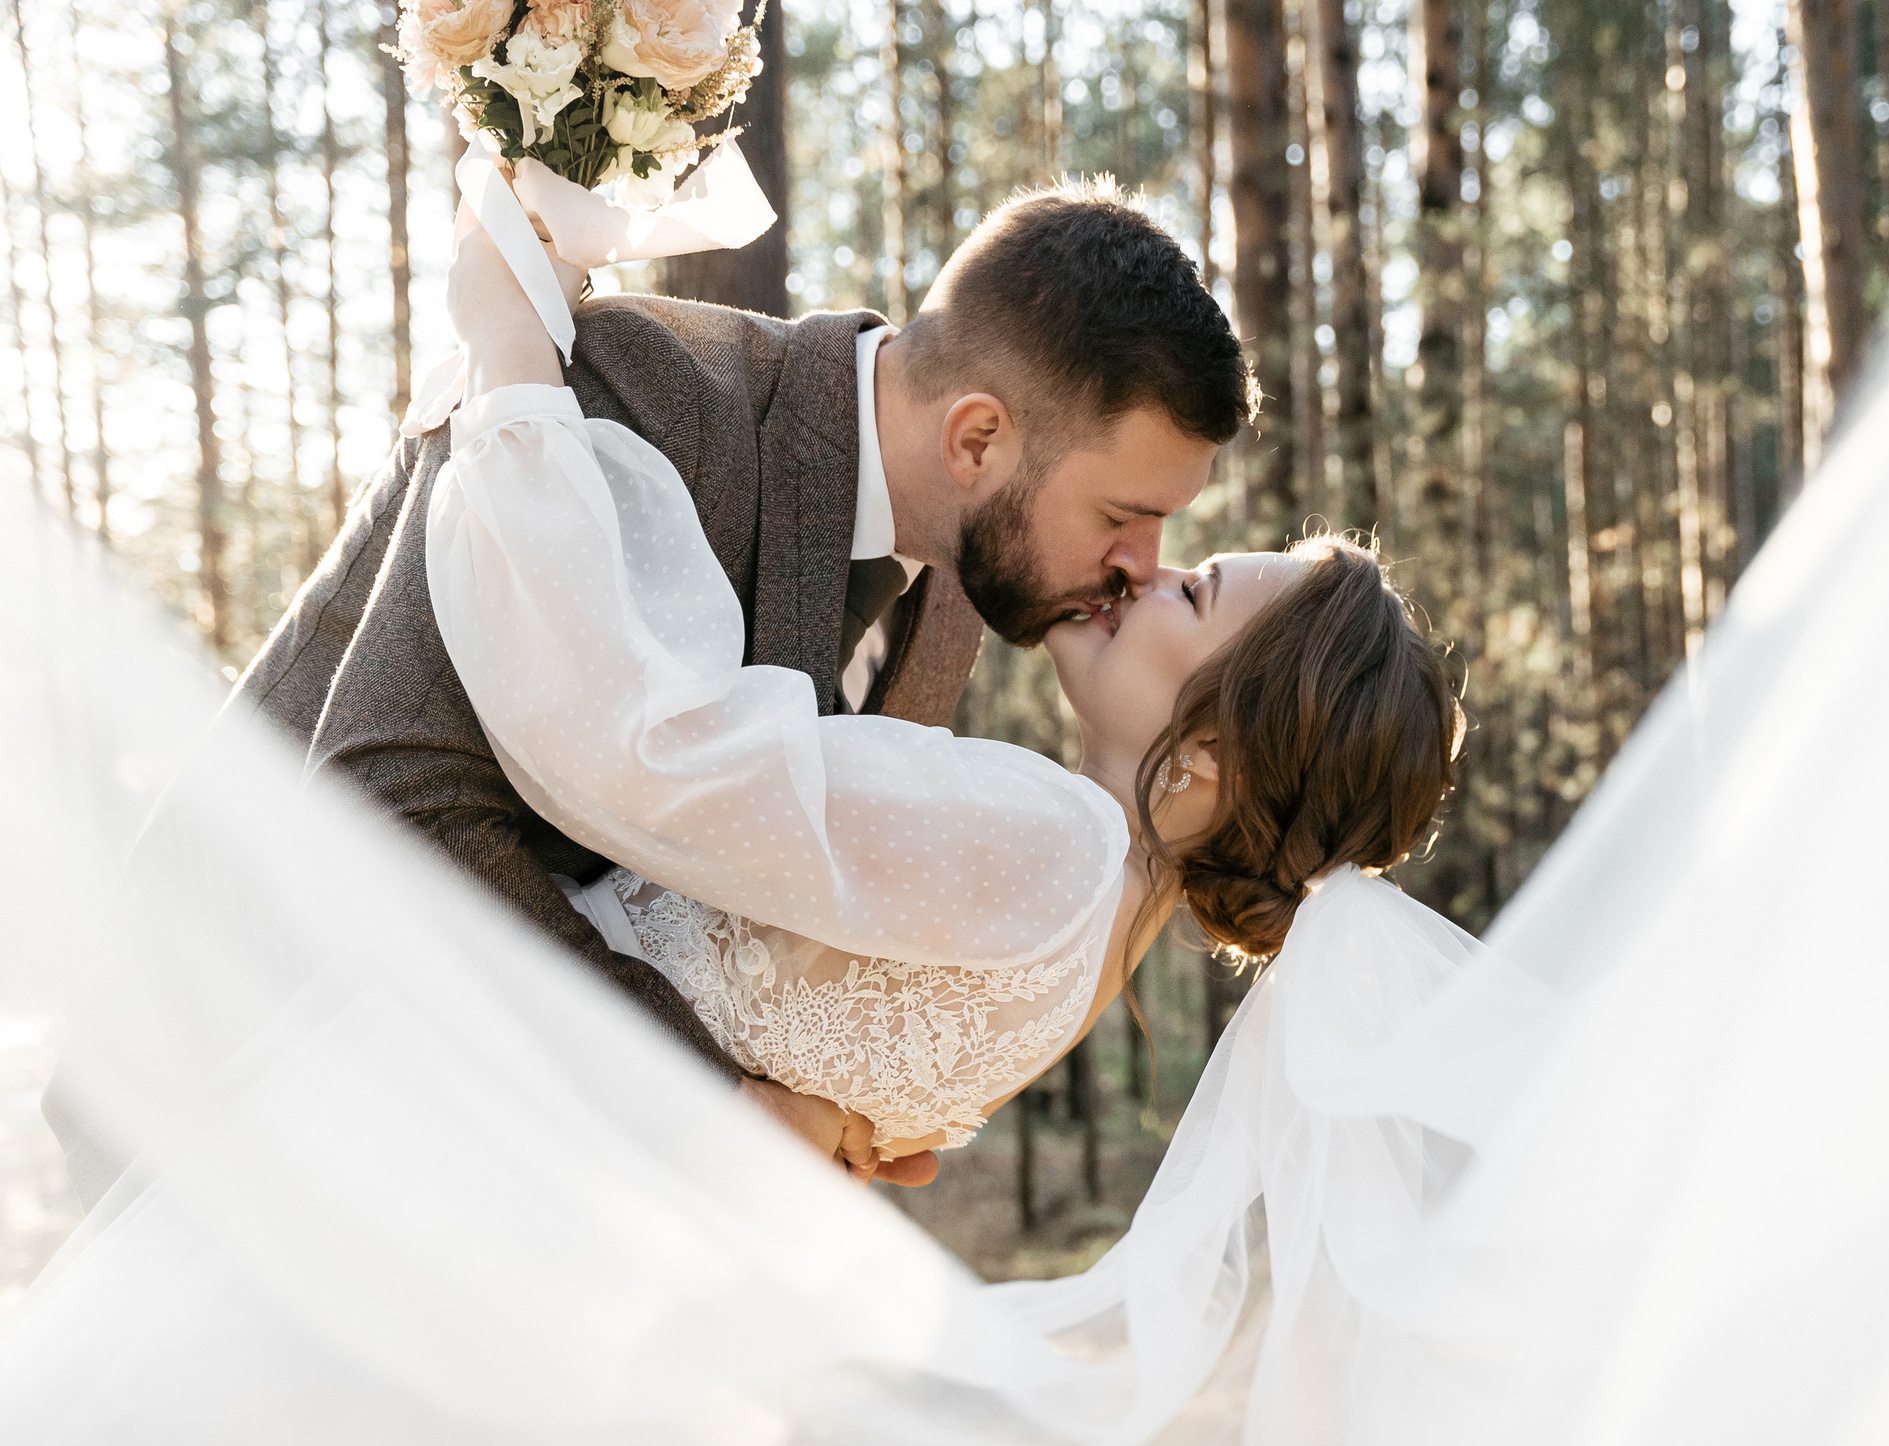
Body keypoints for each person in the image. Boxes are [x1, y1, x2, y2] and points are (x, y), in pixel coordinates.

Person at [184, 177, 1259, 1187]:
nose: (1143, 565)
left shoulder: (951, 600)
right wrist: (715, 1105)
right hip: (240, 1082)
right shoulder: (630, 387)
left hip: (511, 1193)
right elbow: (387, 804)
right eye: (1123, 516)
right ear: (976, 438)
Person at [429, 201, 1462, 1177]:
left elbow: (663, 756)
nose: (1141, 571)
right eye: (1143, 537)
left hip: (459, 1098)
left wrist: (510, 375)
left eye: (1192, 594)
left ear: (1214, 755)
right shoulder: (1093, 955)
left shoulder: (1057, 845)